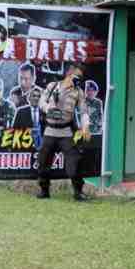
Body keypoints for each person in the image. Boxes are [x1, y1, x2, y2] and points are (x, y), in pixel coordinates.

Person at [37, 62, 92, 201]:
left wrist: (85, 126)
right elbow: (41, 102)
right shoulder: (52, 86)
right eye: (77, 76)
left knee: (74, 164)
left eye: (80, 77)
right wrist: (48, 108)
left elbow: (84, 111)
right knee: (43, 162)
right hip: (50, 131)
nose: (79, 79)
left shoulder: (78, 92)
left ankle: (78, 192)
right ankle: (44, 191)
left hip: (66, 132)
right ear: (69, 73)